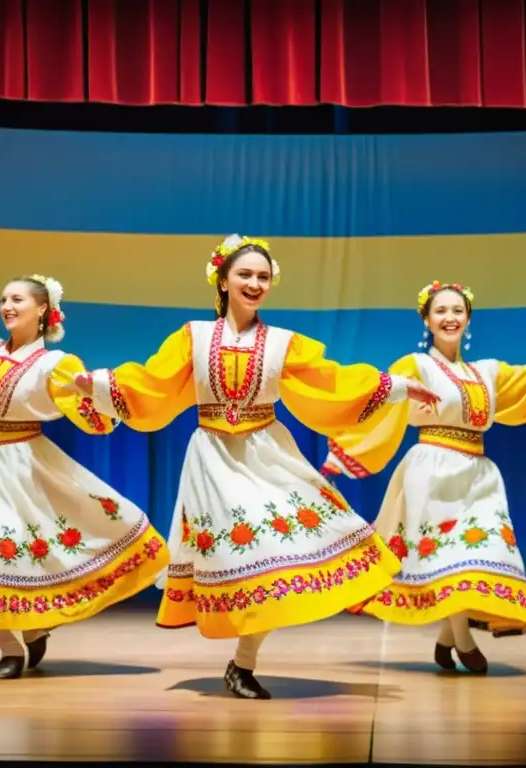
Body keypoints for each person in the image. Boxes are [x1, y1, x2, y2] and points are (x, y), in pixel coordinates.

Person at [72, 235, 441, 699]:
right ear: (222, 280)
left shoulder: (284, 343)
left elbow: (332, 381)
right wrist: (99, 386)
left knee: (274, 553)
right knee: (245, 555)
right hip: (212, 458)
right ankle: (242, 665)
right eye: (244, 274)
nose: (254, 283)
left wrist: (396, 387)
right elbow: (154, 381)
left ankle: (242, 664)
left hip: (266, 454)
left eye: (262, 276)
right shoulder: (194, 336)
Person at [0, 274, 168, 679]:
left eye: (18, 300)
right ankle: (9, 646)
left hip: (25, 464)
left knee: (19, 555)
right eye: (4, 298)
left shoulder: (54, 364)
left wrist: (88, 389)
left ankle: (34, 626)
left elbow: (89, 414)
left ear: (42, 309)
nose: (7, 306)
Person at [321, 280, 526, 674]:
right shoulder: (415, 366)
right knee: (450, 555)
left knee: (481, 552)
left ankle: (446, 639)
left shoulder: (487, 372)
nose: (450, 318)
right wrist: (346, 451)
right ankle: (463, 641)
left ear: (468, 319)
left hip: (479, 472)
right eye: (441, 311)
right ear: (427, 320)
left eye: (457, 311)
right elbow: (382, 401)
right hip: (432, 469)